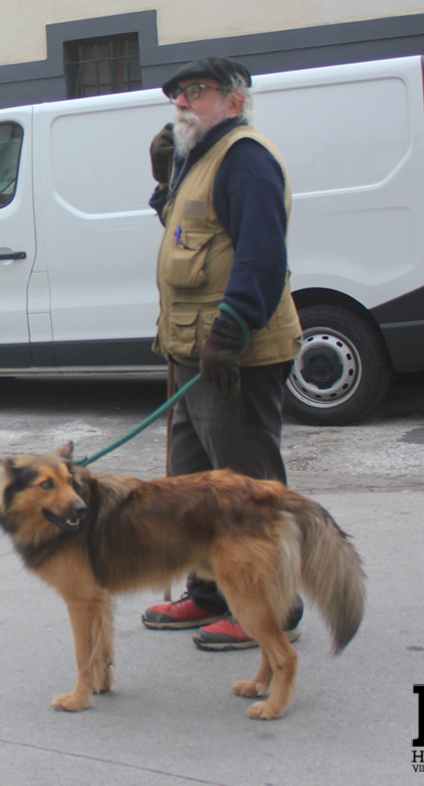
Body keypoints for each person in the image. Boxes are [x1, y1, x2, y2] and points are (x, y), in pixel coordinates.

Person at [140, 57, 305, 651]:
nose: (181, 102)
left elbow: (263, 255)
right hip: (191, 352)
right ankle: (211, 595)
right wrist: (166, 177)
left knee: (247, 491)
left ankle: (271, 607)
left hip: (233, 358)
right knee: (191, 489)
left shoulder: (246, 160)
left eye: (196, 92)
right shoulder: (202, 158)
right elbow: (185, 230)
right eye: (178, 94)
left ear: (234, 102)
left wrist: (230, 333)